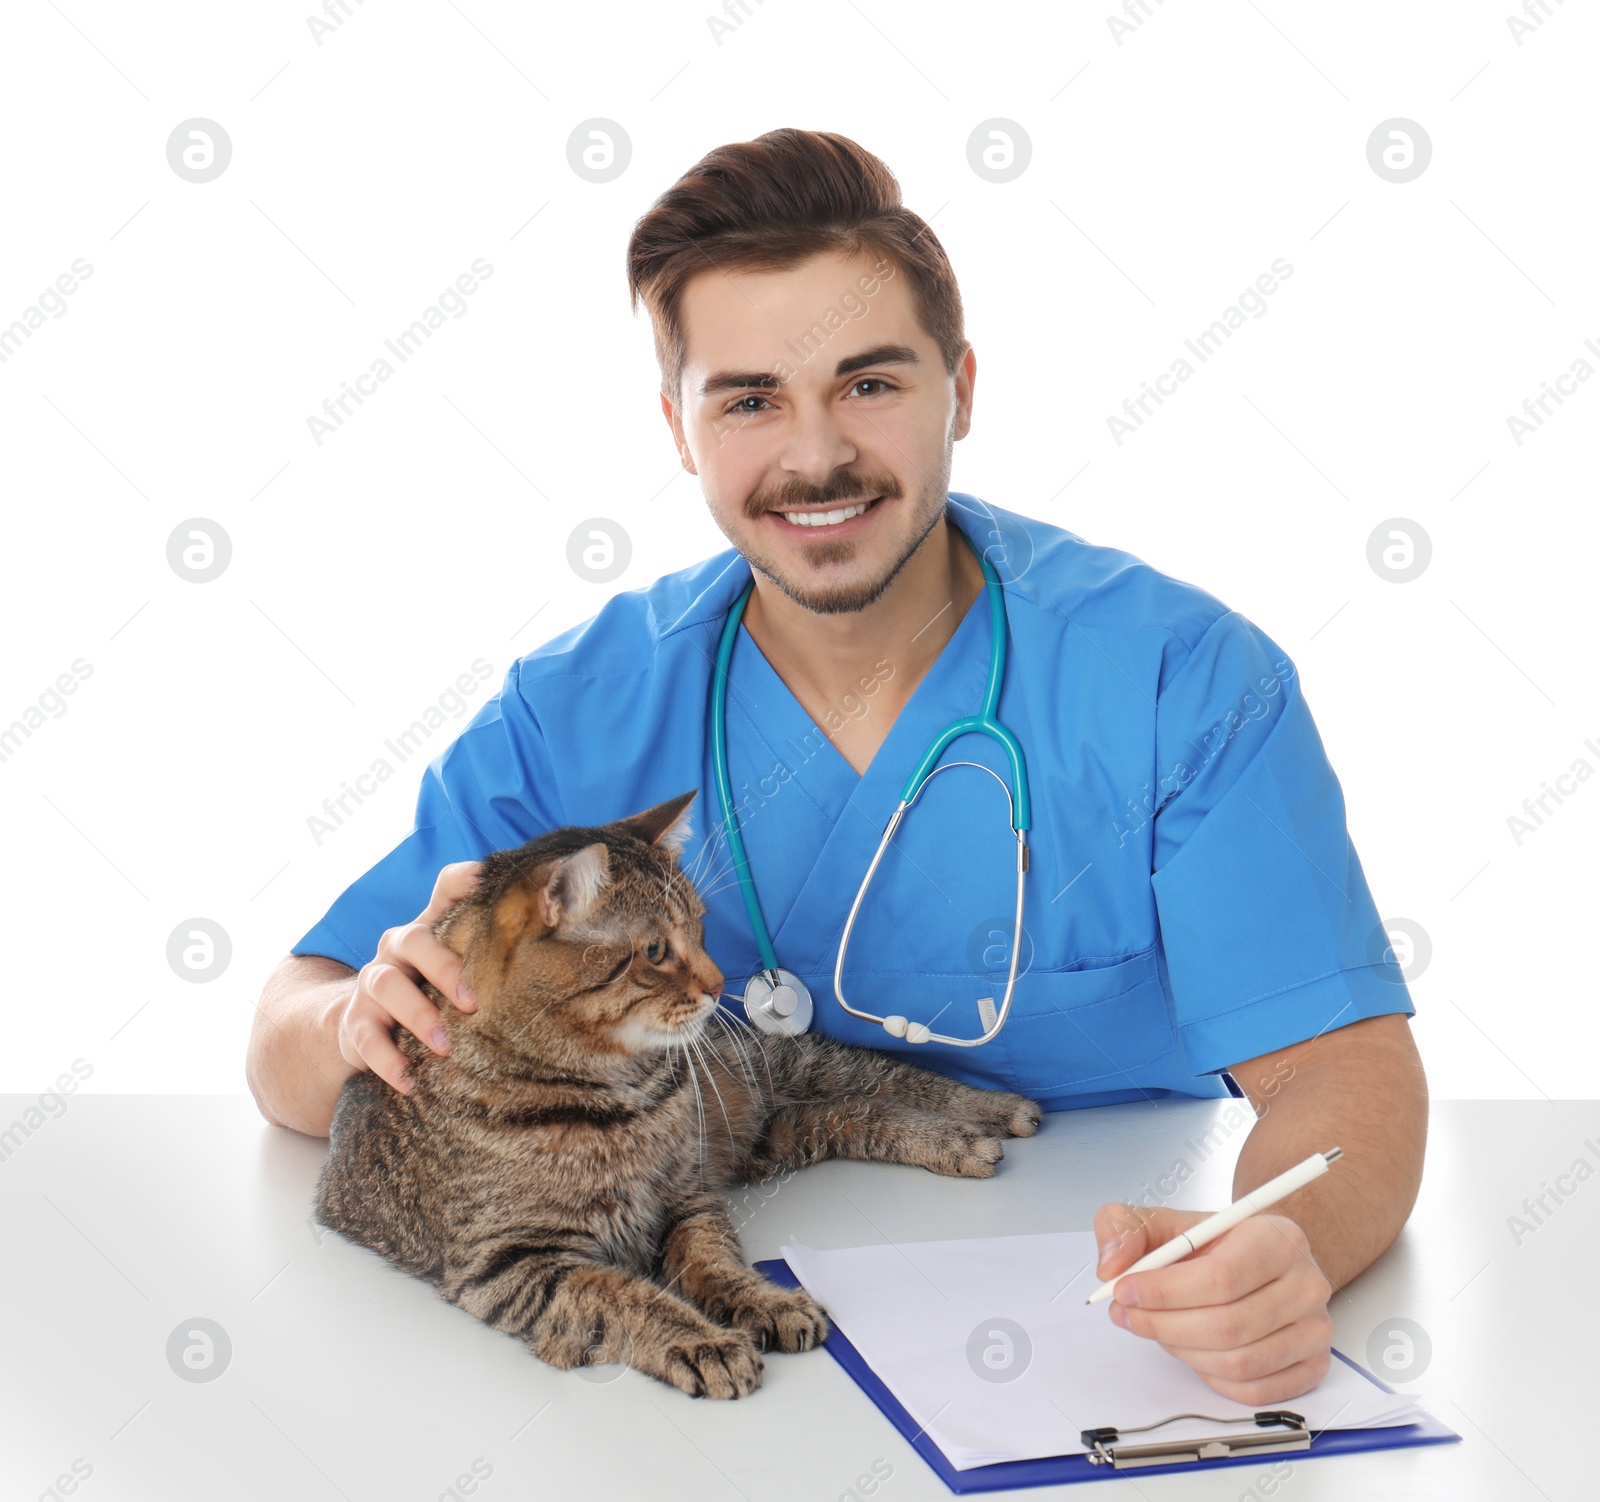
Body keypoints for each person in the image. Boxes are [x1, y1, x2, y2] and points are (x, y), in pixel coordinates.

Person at [247, 127, 1427, 1407]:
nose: (815, 456)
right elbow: (291, 1030)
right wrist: (348, 1018)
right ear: (679, 430)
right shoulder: (578, 705)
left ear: (960, 388)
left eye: (870, 383)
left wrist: (1280, 1250)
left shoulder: (1180, 682)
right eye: (749, 399)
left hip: (1101, 1328)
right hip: (707, 1353)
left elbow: (1338, 1073)